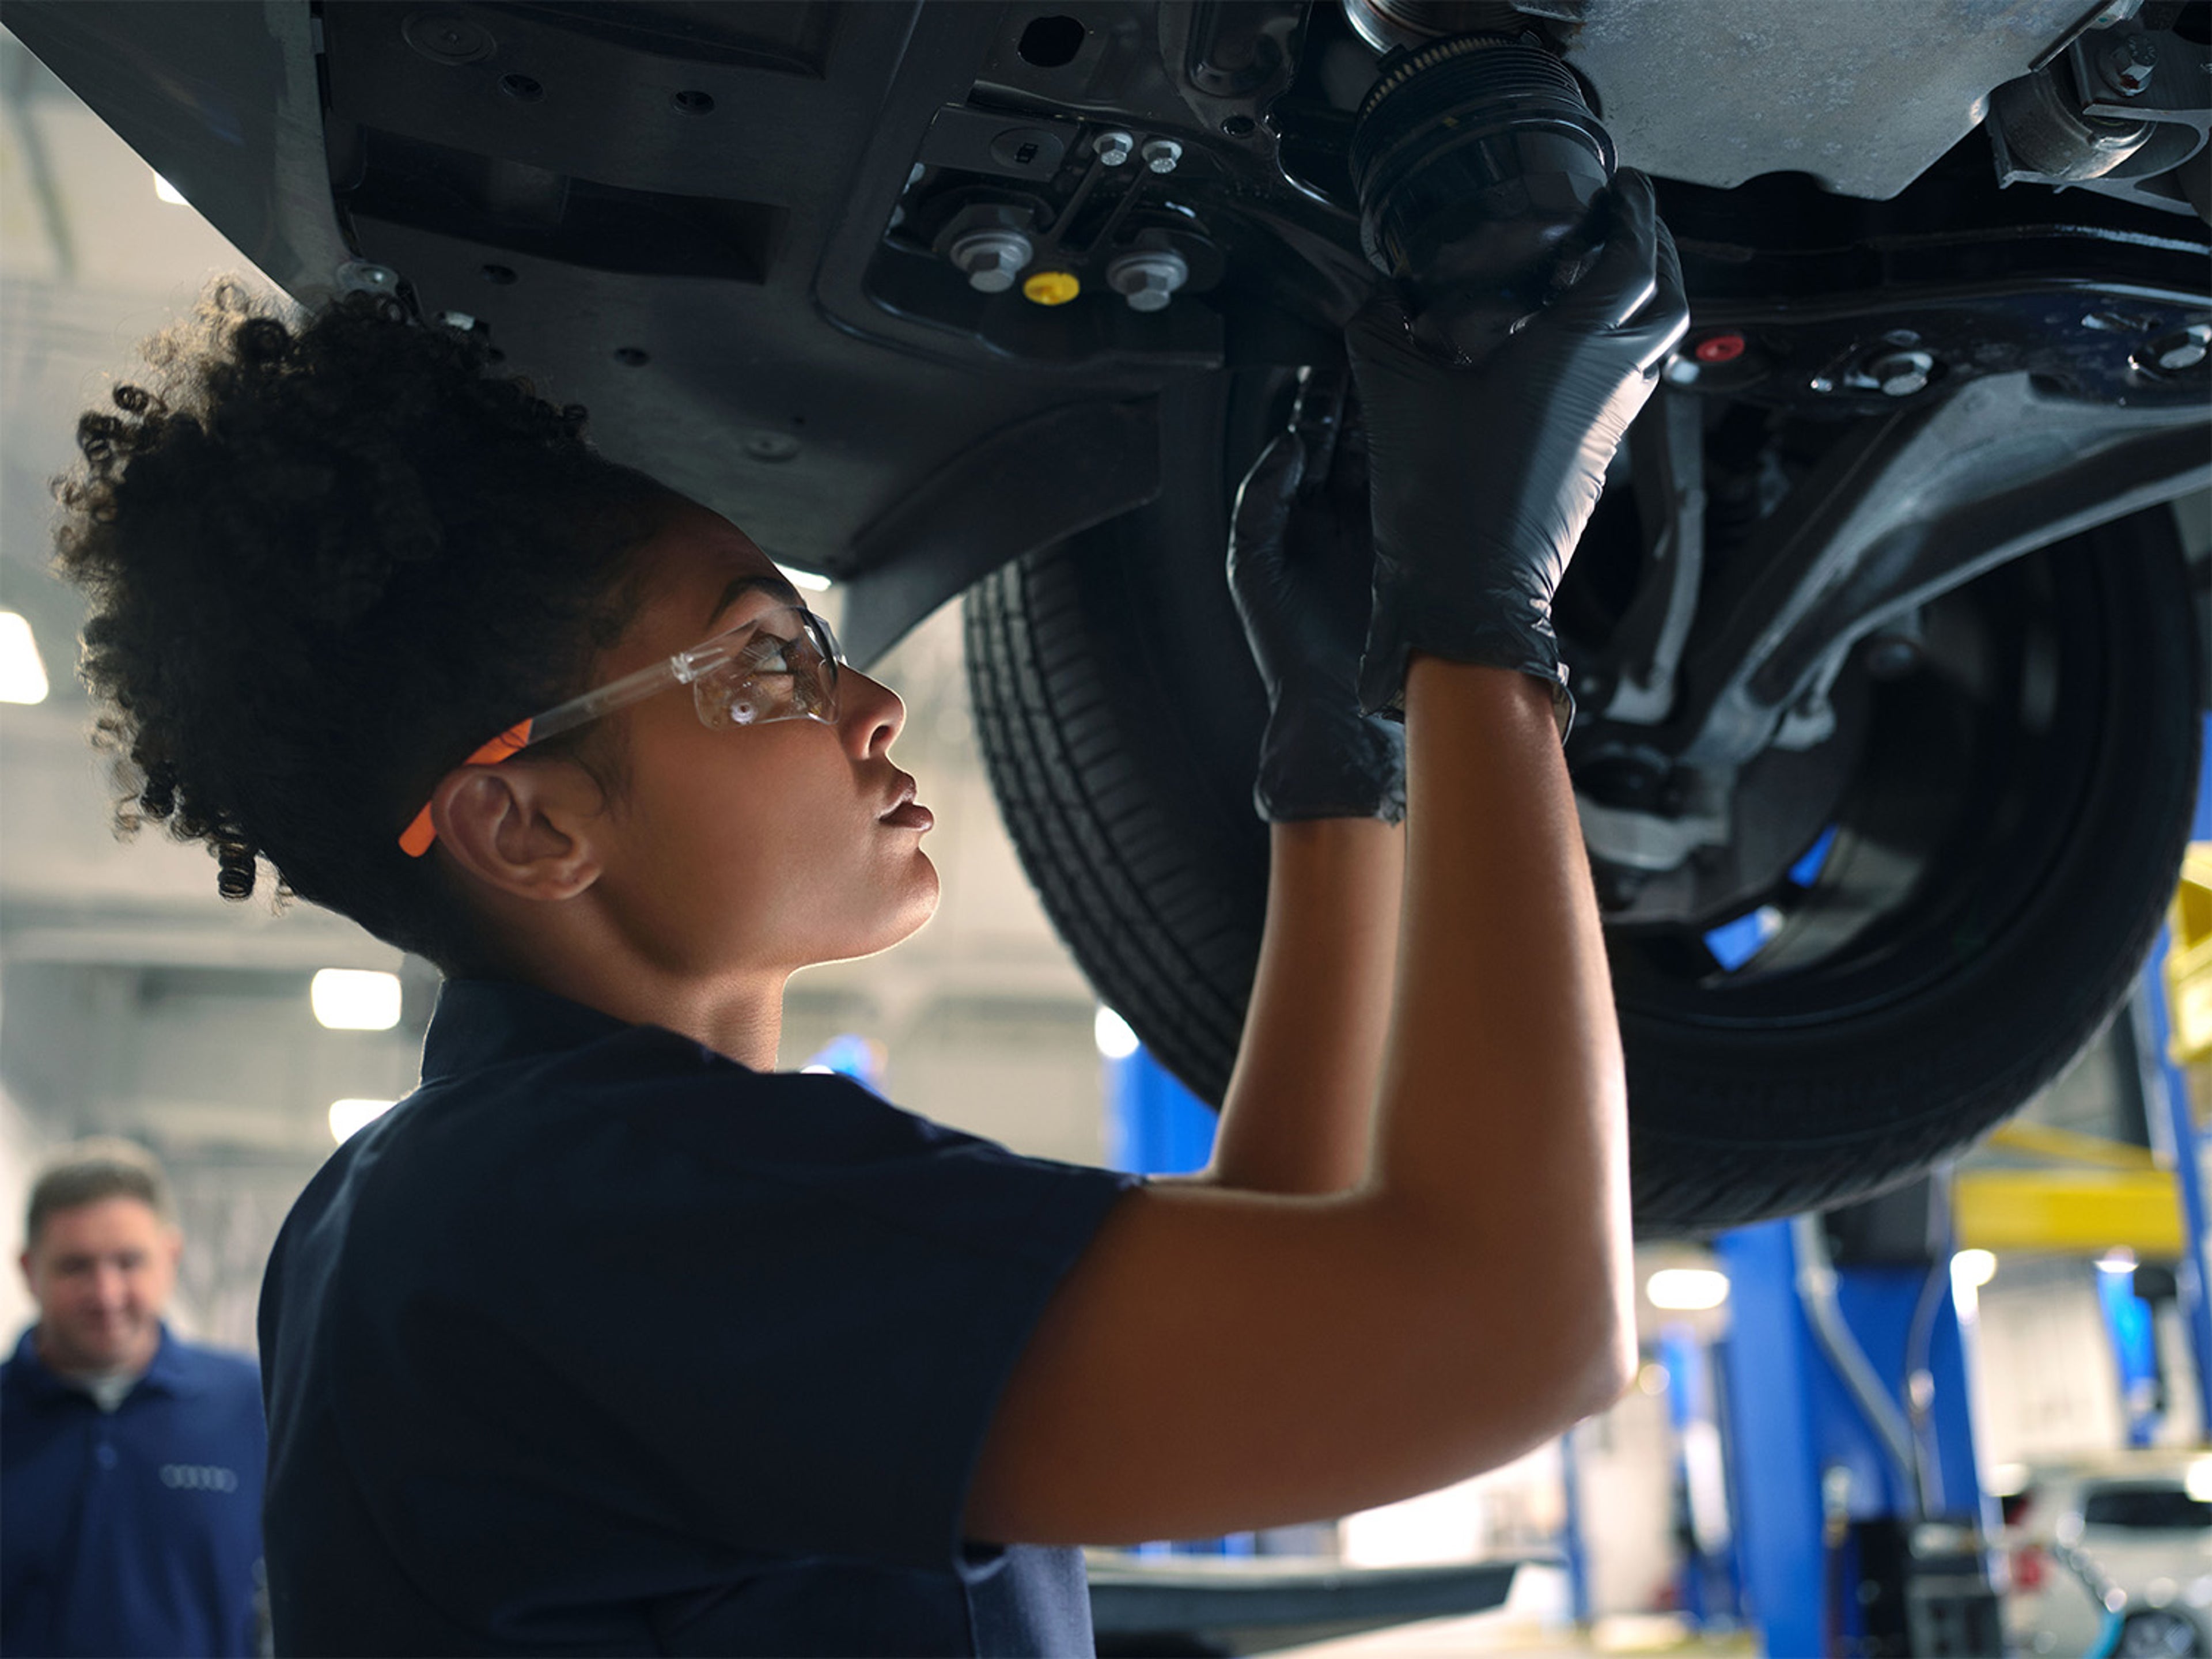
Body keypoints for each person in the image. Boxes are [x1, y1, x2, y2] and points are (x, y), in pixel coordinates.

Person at [47, 165, 1685, 1655]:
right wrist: (1485, 623)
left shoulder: (487, 1205)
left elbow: (1280, 1260)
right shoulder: (587, 1213)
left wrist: (1343, 774)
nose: (873, 704)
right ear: (529, 826)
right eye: (768, 659)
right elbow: (1510, 1328)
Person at [1, 1138, 266, 1657]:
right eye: (76, 1266)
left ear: (170, 1258)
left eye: (129, 1262)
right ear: (31, 1271)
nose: (106, 1294)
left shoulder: (249, 1408)